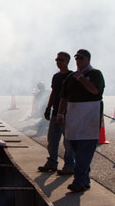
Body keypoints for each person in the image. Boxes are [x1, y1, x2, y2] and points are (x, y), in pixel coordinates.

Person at [55, 49, 105, 193]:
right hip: (73, 117)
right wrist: (60, 113)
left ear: (88, 59)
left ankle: (78, 181)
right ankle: (84, 180)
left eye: (81, 58)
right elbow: (64, 97)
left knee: (85, 150)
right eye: (77, 58)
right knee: (76, 150)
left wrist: (82, 79)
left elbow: (95, 91)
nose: (78, 61)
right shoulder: (70, 77)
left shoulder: (95, 74)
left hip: (90, 117)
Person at [38, 52, 76, 175]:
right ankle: (52, 162)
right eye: (57, 59)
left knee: (68, 141)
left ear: (67, 61)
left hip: (68, 113)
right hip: (55, 112)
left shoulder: (72, 76)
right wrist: (48, 107)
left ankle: (69, 165)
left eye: (61, 60)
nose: (58, 62)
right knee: (52, 139)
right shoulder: (56, 77)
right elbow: (54, 93)